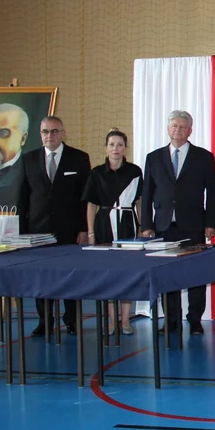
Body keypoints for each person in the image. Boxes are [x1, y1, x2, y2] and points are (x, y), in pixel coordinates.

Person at [140, 110, 215, 335]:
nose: (178, 130)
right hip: (163, 226)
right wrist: (146, 225)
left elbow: (212, 193)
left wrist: (210, 222)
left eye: (183, 127)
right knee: (167, 275)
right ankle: (171, 321)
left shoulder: (204, 157)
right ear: (168, 129)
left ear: (190, 131)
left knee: (196, 274)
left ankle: (195, 320)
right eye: (174, 126)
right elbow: (147, 193)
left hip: (193, 225)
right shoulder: (153, 157)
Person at [18, 115, 91, 337]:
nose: (49, 135)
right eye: (45, 131)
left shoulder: (79, 158)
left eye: (54, 131)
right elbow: (22, 198)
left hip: (70, 230)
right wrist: (21, 233)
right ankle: (45, 322)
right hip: (37, 231)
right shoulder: (28, 159)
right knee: (41, 277)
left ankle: (72, 320)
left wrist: (84, 228)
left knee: (71, 275)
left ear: (63, 133)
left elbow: (85, 199)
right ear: (40, 134)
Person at [83, 129, 142, 335]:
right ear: (106, 148)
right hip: (104, 226)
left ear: (125, 148)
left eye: (119, 144)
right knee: (107, 272)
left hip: (127, 224)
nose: (115, 148)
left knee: (127, 271)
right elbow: (91, 205)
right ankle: (111, 321)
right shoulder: (96, 173)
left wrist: (141, 227)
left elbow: (140, 202)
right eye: (111, 144)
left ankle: (125, 320)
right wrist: (91, 232)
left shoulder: (134, 171)